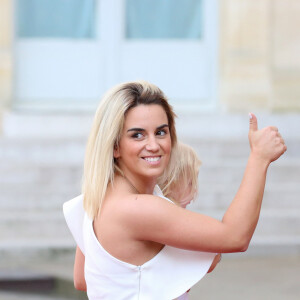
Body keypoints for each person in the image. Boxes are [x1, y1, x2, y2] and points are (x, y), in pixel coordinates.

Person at [63, 80, 286, 299]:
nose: (153, 145)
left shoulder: (94, 199)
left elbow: (82, 279)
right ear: (114, 146)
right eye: (137, 135)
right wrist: (259, 157)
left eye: (161, 132)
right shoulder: (139, 208)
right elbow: (235, 237)